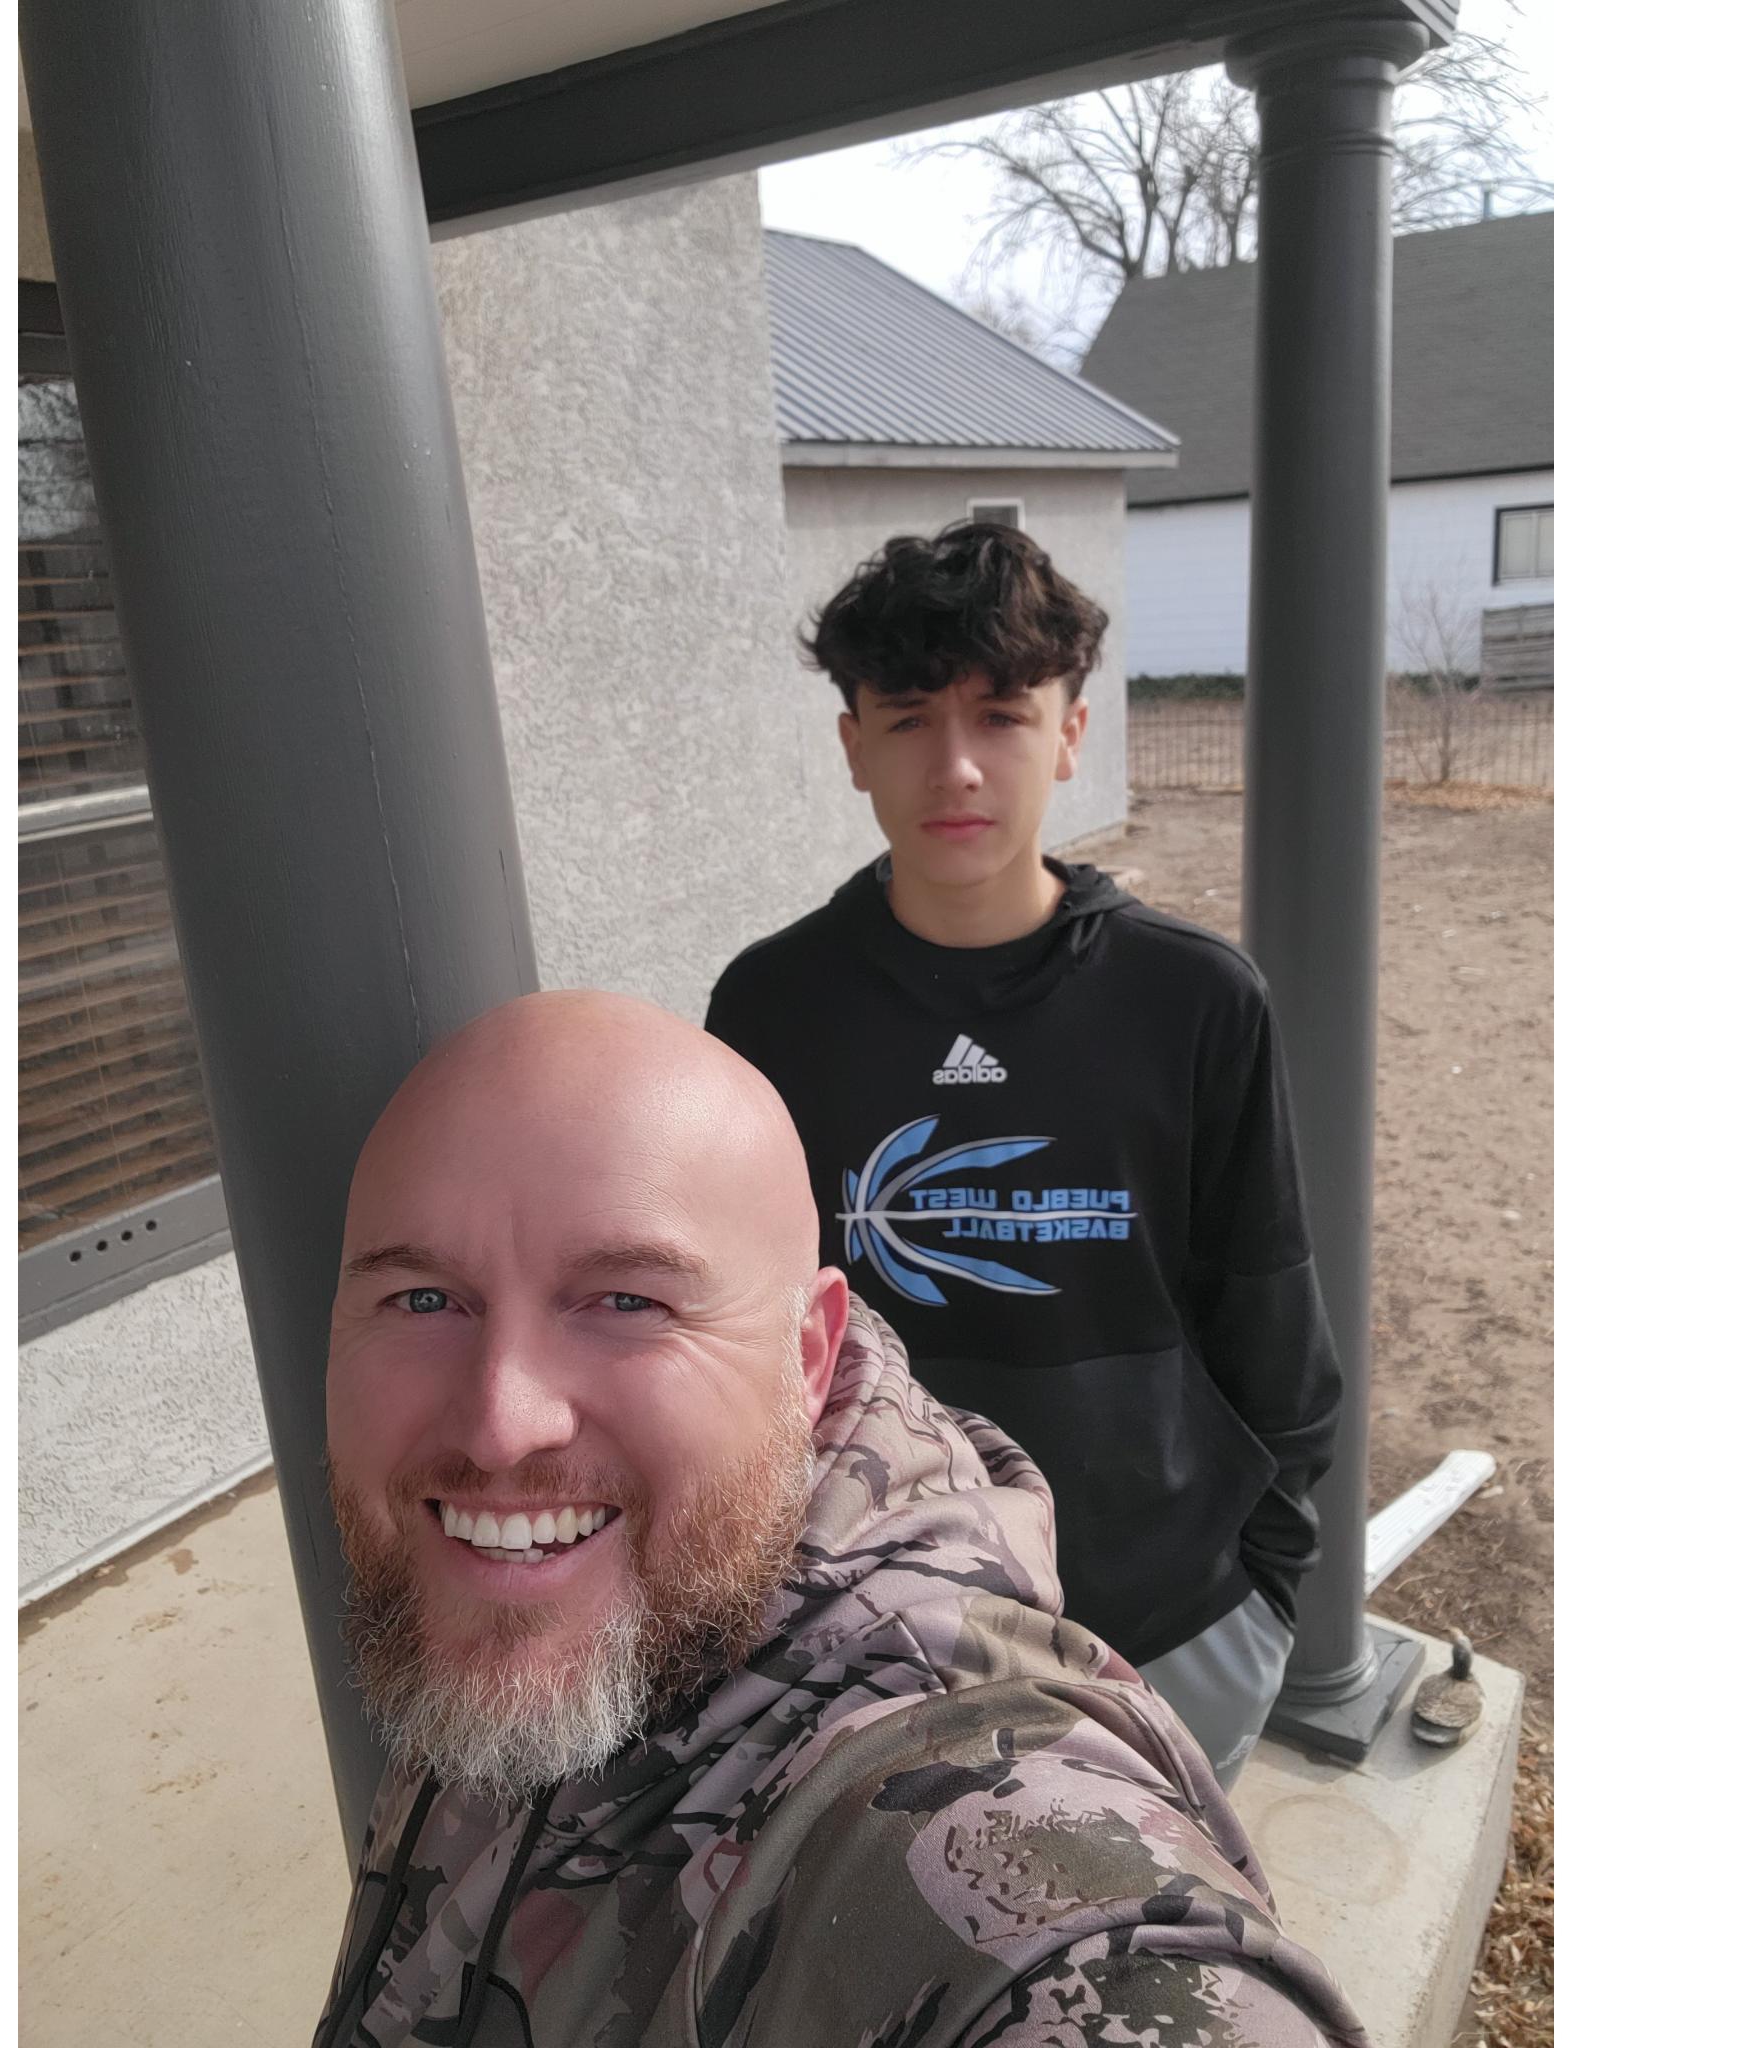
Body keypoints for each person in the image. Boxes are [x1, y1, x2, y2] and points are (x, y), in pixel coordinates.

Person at [316, 990, 1365, 2048]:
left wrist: (1270, 1583)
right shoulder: (509, 1595)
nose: (500, 1425)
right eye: (421, 1299)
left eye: (628, 1301)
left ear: (808, 1356)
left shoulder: (973, 1807)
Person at [704, 523, 1340, 1788]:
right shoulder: (768, 1009)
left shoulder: (1196, 999)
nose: (954, 766)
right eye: (904, 718)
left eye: (999, 715)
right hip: (869, 1614)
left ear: (1068, 733)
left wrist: (1260, 1586)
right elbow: (740, 1331)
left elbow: (1271, 1320)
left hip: (1169, 1618)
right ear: (851, 747)